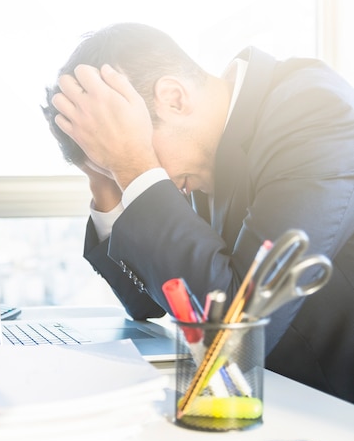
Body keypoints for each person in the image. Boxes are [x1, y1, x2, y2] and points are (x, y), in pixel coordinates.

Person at [43, 22, 354, 403]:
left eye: (134, 147)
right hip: (280, 397)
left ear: (173, 98)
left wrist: (134, 165)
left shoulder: (314, 116)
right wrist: (104, 178)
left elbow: (238, 334)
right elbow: (148, 303)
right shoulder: (205, 145)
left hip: (334, 407)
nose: (145, 180)